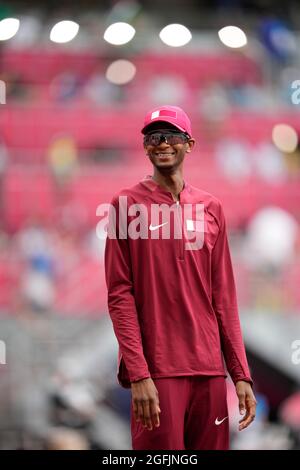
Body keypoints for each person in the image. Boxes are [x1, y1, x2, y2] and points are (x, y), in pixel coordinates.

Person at [104, 105, 256, 450]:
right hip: (158, 372)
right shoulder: (125, 205)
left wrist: (240, 374)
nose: (162, 143)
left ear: (190, 144)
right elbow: (119, 296)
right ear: (145, 146)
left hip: (209, 371)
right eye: (153, 137)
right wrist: (139, 374)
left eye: (171, 136)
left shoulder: (211, 208)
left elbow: (224, 298)